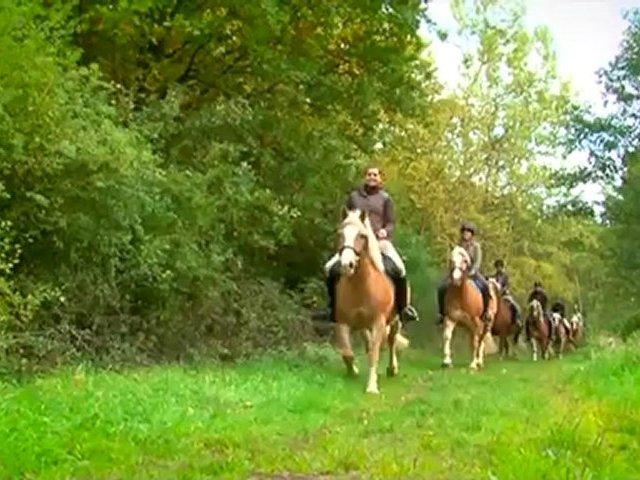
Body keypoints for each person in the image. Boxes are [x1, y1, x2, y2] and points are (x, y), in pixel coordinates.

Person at [321, 166, 419, 324]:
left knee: (400, 269)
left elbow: (391, 222)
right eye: (369, 174)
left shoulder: (385, 199)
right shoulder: (354, 197)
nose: (372, 177)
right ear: (365, 177)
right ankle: (332, 308)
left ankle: (403, 309)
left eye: (375, 175)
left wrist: (385, 231)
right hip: (355, 242)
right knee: (329, 268)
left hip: (379, 242)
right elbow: (345, 217)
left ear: (380, 179)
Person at [436, 221, 492, 325]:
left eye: (468, 231)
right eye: (464, 231)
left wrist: (471, 272)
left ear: (472, 234)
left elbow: (477, 262)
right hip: (458, 273)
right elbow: (453, 260)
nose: (466, 233)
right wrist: (452, 271)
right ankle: (442, 313)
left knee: (485, 287)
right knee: (442, 287)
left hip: (472, 273)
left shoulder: (476, 247)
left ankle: (485, 313)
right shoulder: (458, 247)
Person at [492, 259, 522, 328]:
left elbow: (507, 285)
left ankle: (517, 320)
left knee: (516, 306)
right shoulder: (493, 276)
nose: (498, 268)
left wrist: (502, 291)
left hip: (504, 294)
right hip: (495, 294)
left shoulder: (506, 276)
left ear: (502, 267)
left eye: (500, 266)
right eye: (497, 266)